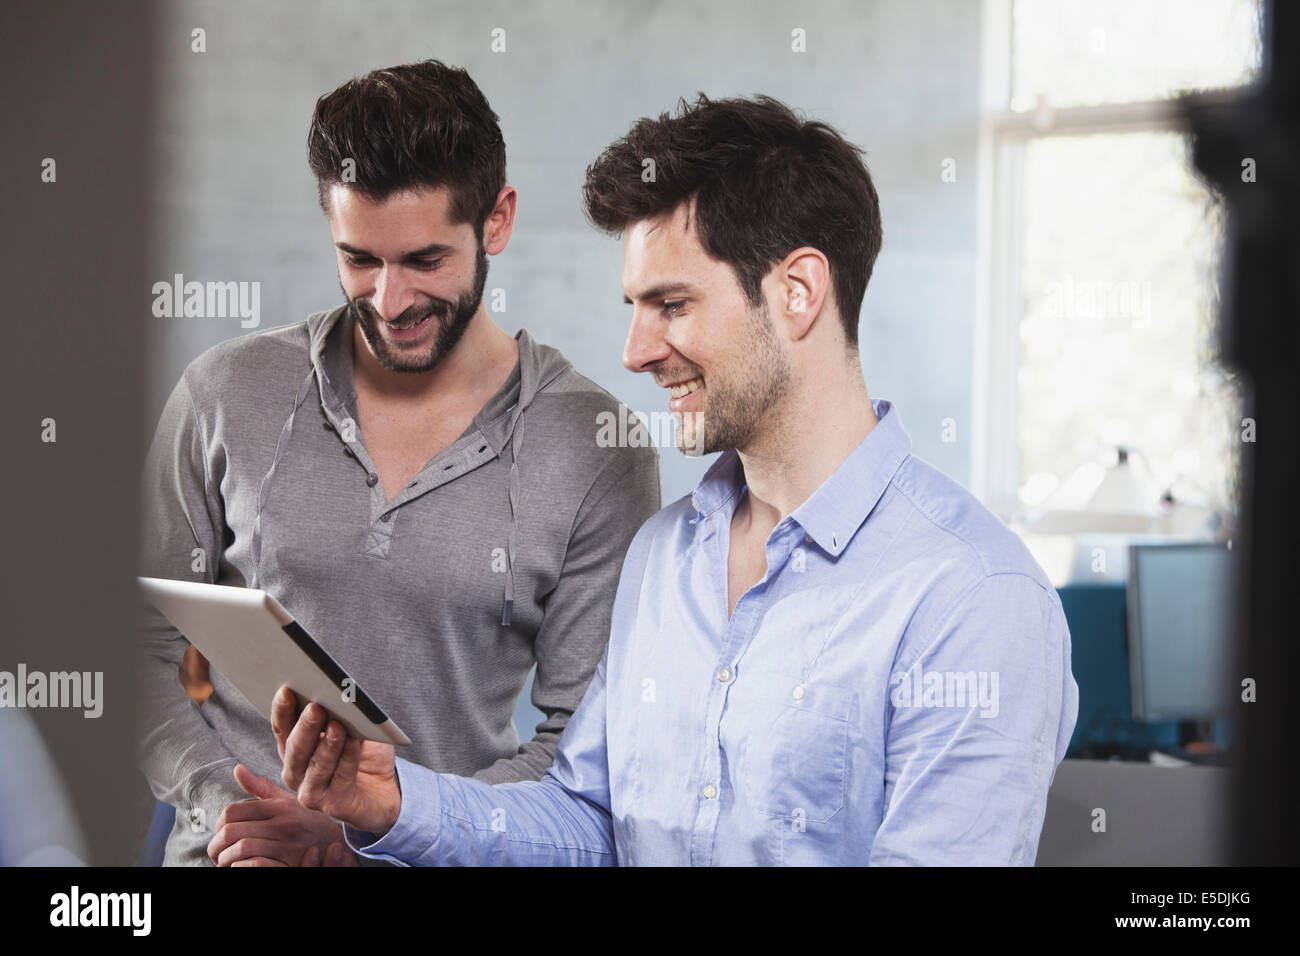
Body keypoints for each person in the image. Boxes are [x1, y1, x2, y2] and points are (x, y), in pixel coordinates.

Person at [271, 93, 1078, 866]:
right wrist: (396, 803)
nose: (636, 350)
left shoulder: (974, 598)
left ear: (797, 292)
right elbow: (591, 822)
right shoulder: (664, 556)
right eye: (634, 305)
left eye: (672, 305)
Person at [136, 60, 660, 867]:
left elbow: (579, 751)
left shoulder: (594, 446)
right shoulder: (224, 393)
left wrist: (385, 827)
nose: (390, 302)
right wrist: (240, 805)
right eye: (359, 260)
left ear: (498, 220)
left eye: (424, 260)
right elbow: (141, 648)